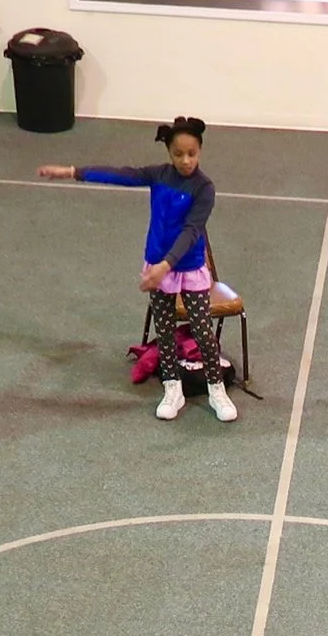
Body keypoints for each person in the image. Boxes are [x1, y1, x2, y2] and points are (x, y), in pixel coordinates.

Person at [37, 117, 239, 423]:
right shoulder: (158, 175)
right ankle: (173, 388)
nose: (186, 160)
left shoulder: (204, 188)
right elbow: (119, 175)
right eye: (178, 154)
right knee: (166, 329)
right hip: (157, 264)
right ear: (169, 152)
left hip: (186, 267)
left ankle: (216, 388)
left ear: (200, 151)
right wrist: (71, 171)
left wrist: (166, 266)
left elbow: (192, 230)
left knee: (201, 331)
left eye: (192, 154)